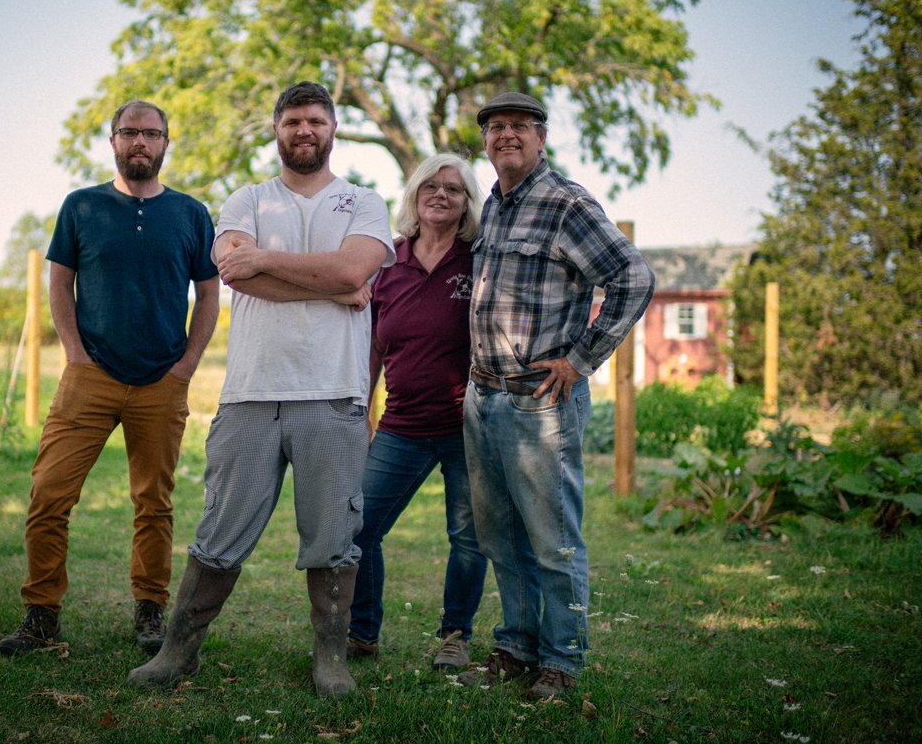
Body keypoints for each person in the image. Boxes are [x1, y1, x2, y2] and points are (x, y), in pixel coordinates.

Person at [127, 81, 395, 697]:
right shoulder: (246, 199)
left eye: (316, 121)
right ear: (277, 130)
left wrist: (283, 266)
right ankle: (177, 650)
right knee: (220, 529)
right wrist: (331, 286)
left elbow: (354, 269)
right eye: (293, 121)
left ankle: (330, 657)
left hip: (334, 395)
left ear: (333, 130)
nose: (304, 131)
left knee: (334, 536)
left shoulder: (364, 202)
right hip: (249, 395)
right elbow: (237, 273)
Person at [0, 100, 220, 657]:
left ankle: (150, 612)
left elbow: (210, 293)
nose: (140, 142)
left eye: (151, 133)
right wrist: (75, 353)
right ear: (113, 141)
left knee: (154, 503)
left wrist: (186, 365)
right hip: (89, 377)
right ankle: (41, 615)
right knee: (49, 494)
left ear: (167, 142)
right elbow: (59, 284)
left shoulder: (191, 214)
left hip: (161, 381)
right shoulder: (81, 207)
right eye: (129, 133)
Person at [457, 92, 654, 698]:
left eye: (519, 126)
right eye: (495, 128)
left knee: (552, 539)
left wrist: (580, 359)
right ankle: (516, 646)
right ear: (485, 141)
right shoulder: (492, 204)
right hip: (484, 397)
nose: (506, 135)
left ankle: (562, 662)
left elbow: (632, 278)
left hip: (538, 403)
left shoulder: (565, 203)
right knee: (500, 536)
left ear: (541, 138)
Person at [345, 153, 488, 671]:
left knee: (469, 538)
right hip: (400, 426)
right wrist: (363, 408)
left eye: (453, 188)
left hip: (467, 428)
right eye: (430, 185)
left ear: (467, 203)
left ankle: (455, 635)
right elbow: (373, 349)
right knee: (359, 528)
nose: (440, 195)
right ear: (414, 195)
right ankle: (362, 633)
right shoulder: (388, 262)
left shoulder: (479, 259)